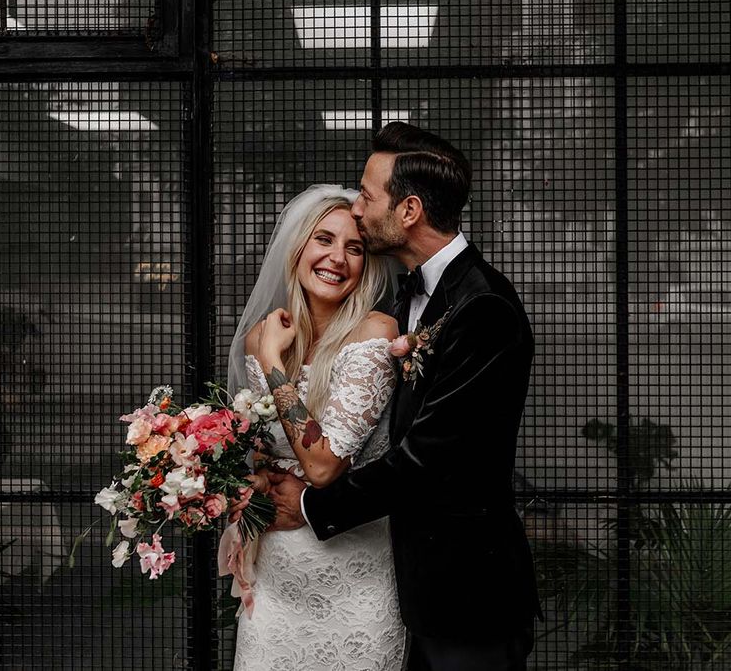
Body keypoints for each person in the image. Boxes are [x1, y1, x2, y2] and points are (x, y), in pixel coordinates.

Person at [237, 122, 542, 670]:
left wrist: (308, 503)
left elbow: (427, 459)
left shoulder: (484, 307)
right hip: (403, 579)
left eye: (368, 194)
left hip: (464, 590)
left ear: (409, 211)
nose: (358, 205)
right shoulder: (410, 296)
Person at [225, 185, 407, 670]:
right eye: (323, 240)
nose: (337, 258)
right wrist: (253, 483)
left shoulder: (375, 334)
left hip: (352, 583)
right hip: (275, 583)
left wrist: (272, 361)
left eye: (355, 248)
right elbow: (264, 452)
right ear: (299, 247)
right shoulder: (259, 335)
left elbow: (323, 465)